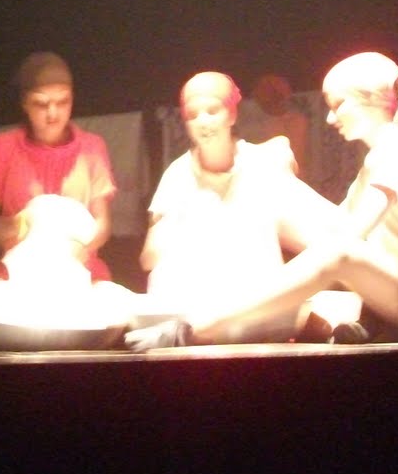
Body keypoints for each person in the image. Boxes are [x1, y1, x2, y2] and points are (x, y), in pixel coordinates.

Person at [128, 53, 398, 348]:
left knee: (336, 253)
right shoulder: (379, 159)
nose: (330, 117)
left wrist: (272, 179)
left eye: (339, 104)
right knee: (318, 271)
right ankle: (223, 314)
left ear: (372, 99)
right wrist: (275, 182)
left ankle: (197, 328)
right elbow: (325, 226)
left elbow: (345, 240)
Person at [141, 72, 341, 339]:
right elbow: (149, 258)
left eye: (213, 111)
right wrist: (177, 225)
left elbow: (320, 234)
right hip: (190, 311)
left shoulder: (264, 162)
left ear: (232, 114)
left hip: (256, 309)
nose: (203, 121)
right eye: (193, 115)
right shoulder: (177, 176)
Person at [0, 52, 117, 282]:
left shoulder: (92, 147)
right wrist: (23, 224)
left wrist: (78, 251)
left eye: (63, 102)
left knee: (113, 303)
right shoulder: (4, 147)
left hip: (79, 269)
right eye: (41, 104)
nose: (53, 114)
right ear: (25, 103)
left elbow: (102, 223)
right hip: (17, 271)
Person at [235, 73, 312, 182]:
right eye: (266, 89)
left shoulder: (299, 120)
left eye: (276, 90)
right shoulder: (246, 122)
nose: (274, 94)